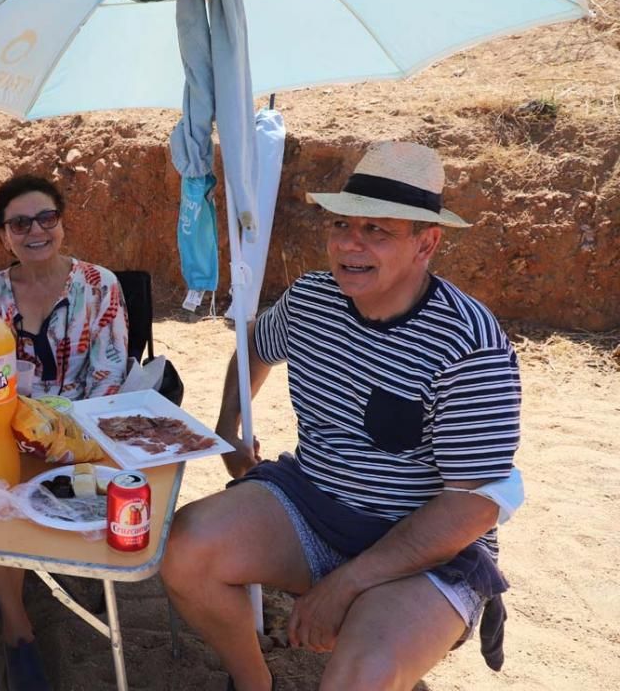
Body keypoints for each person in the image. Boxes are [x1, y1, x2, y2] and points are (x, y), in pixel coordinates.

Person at [161, 142, 522, 691]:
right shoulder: (313, 299)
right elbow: (254, 345)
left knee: (361, 675)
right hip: (313, 502)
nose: (350, 244)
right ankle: (256, 683)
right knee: (185, 551)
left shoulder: (468, 344)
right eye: (341, 224)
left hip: (423, 548)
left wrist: (347, 584)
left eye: (378, 229)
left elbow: (471, 506)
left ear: (427, 243)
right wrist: (230, 428)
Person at [0, 174, 128, 691]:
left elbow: (110, 375)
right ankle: (18, 628)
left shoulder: (100, 286)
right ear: (2, 235)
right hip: (8, 426)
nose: (35, 231)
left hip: (81, 435)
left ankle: (6, 574)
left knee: (14, 481)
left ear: (61, 221)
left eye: (46, 218)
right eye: (19, 223)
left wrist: (57, 430)